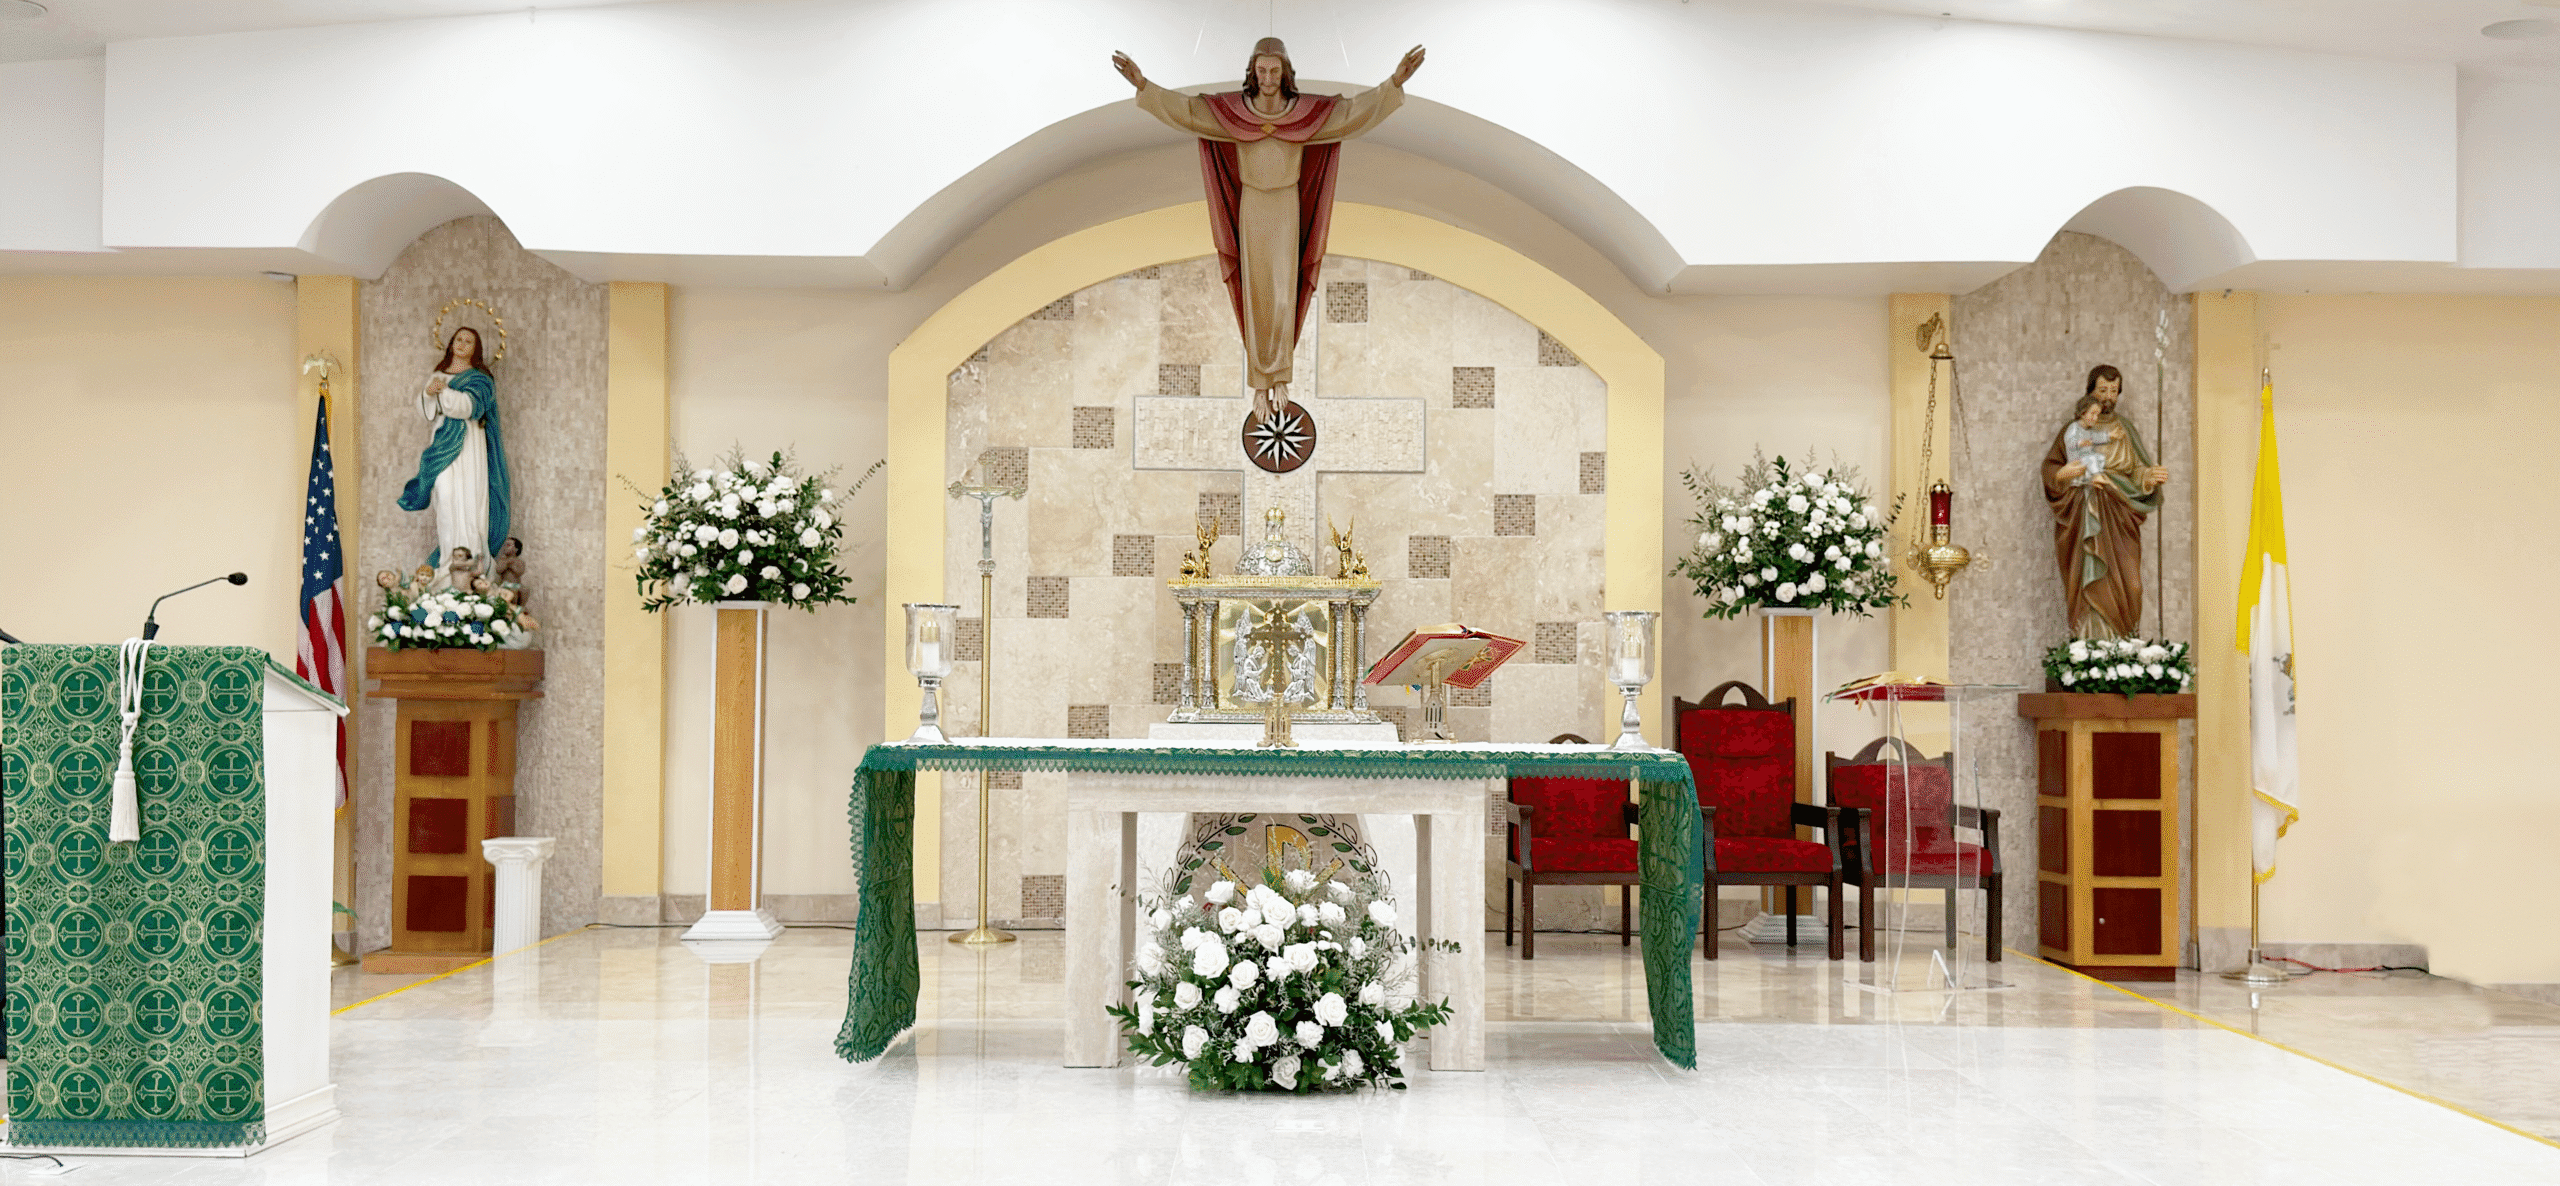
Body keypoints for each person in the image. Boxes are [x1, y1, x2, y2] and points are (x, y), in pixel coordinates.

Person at [1114, 39, 1425, 420]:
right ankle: (1260, 382)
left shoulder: (1306, 116)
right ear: (1252, 72)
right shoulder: (1233, 115)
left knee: (1283, 293)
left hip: (1286, 206)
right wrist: (1143, 86)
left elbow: (1352, 114)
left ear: (1286, 73)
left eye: (1275, 70)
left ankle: (1280, 376)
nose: (1268, 78)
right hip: (1253, 208)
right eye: (1261, 70)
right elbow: (1188, 112)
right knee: (1256, 291)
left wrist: (1394, 83)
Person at [2042, 365, 2170, 638]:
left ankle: (2124, 643)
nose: (2108, 397)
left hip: (2119, 513)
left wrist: (2148, 476)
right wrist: (2063, 473)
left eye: (2113, 391)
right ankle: (2088, 645)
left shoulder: (2124, 430)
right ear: (2090, 392)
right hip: (2084, 513)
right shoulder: (2074, 430)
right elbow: (2051, 468)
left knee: (2132, 584)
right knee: (2090, 580)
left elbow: (2136, 468)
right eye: (2102, 390)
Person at [398, 326, 512, 568]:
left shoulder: (480, 379)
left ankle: (473, 563)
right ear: (450, 344)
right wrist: (429, 394)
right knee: (445, 495)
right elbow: (427, 411)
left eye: (468, 341)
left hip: (470, 447)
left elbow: (470, 408)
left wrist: (445, 393)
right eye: (458, 339)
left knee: (470, 502)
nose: (461, 344)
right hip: (442, 446)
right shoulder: (438, 375)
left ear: (475, 348)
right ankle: (448, 562)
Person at [2061, 396, 2113, 488]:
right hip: (2077, 460)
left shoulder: (2088, 430)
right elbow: (2069, 441)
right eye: (2092, 414)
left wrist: (2109, 436)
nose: (2095, 418)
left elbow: (2096, 437)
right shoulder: (2074, 427)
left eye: (2097, 415)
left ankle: (2093, 478)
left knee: (2100, 458)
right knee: (2092, 458)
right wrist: (2080, 443)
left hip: (2086, 459)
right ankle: (2096, 476)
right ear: (2082, 413)